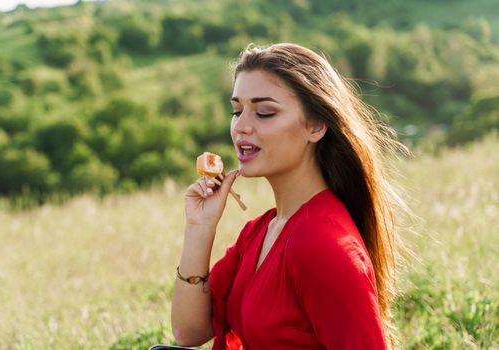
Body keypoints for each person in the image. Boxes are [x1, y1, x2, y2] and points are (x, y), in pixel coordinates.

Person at [171, 43, 406, 349]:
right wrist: (199, 229)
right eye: (237, 111)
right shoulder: (259, 231)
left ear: (316, 125)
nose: (241, 126)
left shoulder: (322, 242)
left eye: (264, 113)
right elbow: (189, 332)